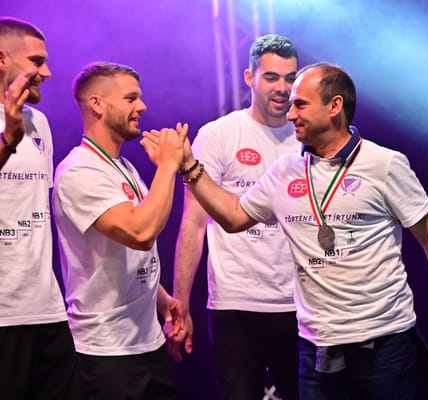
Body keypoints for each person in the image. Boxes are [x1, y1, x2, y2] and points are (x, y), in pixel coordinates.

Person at [145, 62, 428, 400]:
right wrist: (188, 166)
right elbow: (234, 216)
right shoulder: (286, 171)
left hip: (382, 341)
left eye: (301, 105)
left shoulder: (384, 164)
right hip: (316, 347)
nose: (290, 115)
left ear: (334, 106)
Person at [170, 33, 299, 400]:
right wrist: (181, 304)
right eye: (271, 77)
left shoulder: (307, 138)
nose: (282, 88)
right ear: (249, 77)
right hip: (236, 305)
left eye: (290, 78)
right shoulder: (218, 135)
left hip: (302, 304)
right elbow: (193, 224)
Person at [52, 61, 188, 400]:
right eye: (131, 98)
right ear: (97, 104)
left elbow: (127, 252)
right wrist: (168, 166)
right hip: (106, 351)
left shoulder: (123, 166)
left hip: (148, 341)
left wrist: (162, 299)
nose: (142, 106)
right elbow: (139, 233)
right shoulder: (78, 171)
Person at [0, 16, 81, 399]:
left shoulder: (39, 123)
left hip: (46, 308)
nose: (46, 73)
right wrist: (8, 140)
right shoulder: (16, 130)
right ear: (2, 58)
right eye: (36, 61)